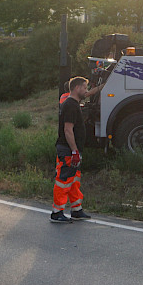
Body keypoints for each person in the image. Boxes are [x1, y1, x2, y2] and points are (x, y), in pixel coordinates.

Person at [52, 76, 91, 223]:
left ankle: (76, 210)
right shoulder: (70, 105)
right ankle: (57, 212)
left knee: (74, 180)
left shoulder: (74, 104)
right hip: (68, 151)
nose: (85, 91)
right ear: (76, 88)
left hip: (73, 151)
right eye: (84, 88)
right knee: (64, 180)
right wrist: (74, 151)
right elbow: (68, 130)